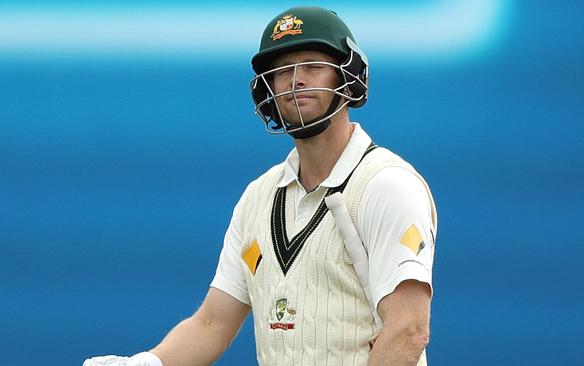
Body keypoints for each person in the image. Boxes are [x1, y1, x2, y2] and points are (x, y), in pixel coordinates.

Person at [84, 6, 437, 366]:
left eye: (313, 65)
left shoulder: (386, 185)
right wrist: (146, 364)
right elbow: (212, 323)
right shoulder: (259, 197)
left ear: (348, 78)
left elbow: (408, 330)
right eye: (282, 71)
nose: (296, 80)